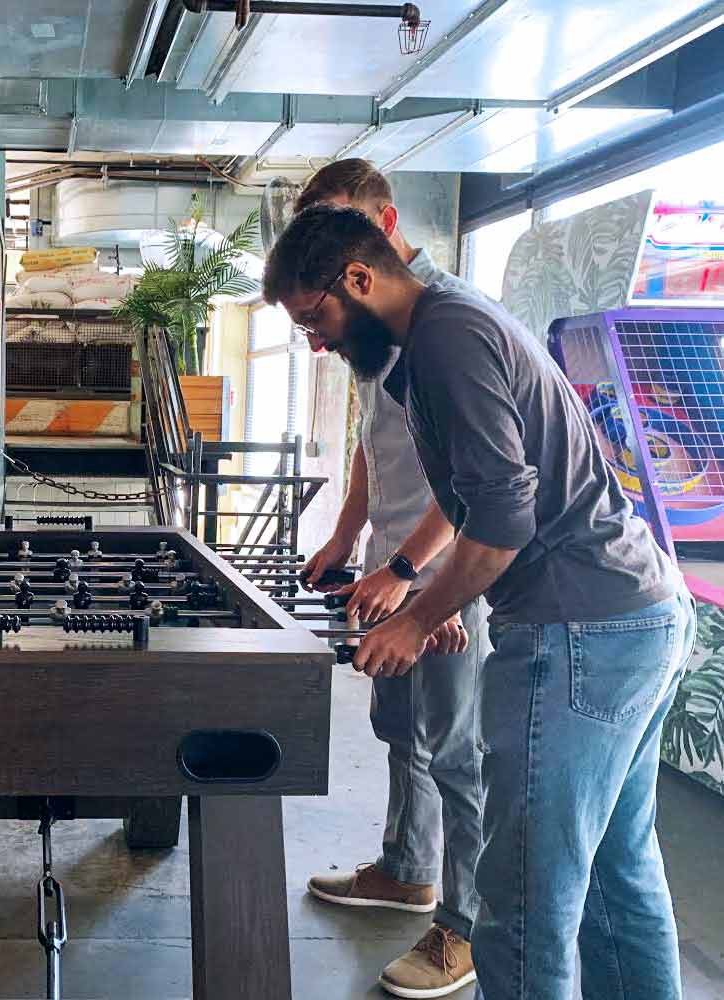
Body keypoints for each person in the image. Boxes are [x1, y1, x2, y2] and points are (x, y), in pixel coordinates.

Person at [265, 203, 693, 1000]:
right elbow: (478, 500)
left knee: (525, 889)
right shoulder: (442, 332)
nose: (315, 341)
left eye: (313, 317)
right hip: (632, 614)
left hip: (579, 632)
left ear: (358, 277)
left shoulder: (443, 341)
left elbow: (504, 514)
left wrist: (419, 616)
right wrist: (440, 596)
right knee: (613, 869)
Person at [286, 160, 488, 998]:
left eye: (342, 232)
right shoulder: (371, 329)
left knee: (458, 753)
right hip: (393, 564)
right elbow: (375, 445)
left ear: (385, 221)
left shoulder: (443, 323)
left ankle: (465, 929)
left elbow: (480, 481)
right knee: (402, 729)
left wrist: (424, 582)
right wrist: (343, 535)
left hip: (444, 574)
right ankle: (407, 871)